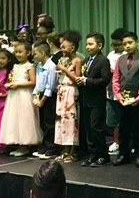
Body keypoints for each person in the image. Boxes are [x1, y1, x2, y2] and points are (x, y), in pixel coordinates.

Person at [111, 31, 139, 168]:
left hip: (137, 101)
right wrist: (119, 96)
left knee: (138, 128)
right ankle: (123, 154)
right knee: (123, 128)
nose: (127, 46)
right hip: (123, 100)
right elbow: (116, 78)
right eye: (124, 44)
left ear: (137, 42)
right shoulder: (120, 60)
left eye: (130, 43)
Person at [0, 42, 40, 157]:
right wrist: (11, 85)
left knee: (24, 119)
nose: (18, 54)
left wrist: (18, 85)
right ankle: (18, 144)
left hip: (24, 94)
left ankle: (24, 145)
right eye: (16, 52)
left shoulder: (29, 66)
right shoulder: (15, 66)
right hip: (14, 95)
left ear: (28, 53)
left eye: (20, 52)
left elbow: (33, 82)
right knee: (15, 119)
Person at [77, 33, 111, 167]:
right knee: (88, 128)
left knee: (96, 127)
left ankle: (103, 155)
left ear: (100, 45)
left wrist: (87, 81)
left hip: (97, 100)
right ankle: (93, 153)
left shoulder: (103, 60)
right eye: (87, 44)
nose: (87, 47)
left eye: (91, 44)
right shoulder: (86, 61)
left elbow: (105, 80)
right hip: (86, 99)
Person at [54, 31, 82, 163]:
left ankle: (72, 151)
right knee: (61, 122)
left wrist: (65, 70)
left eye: (64, 46)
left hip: (71, 91)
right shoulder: (63, 60)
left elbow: (77, 79)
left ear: (73, 47)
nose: (62, 49)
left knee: (71, 121)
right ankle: (64, 149)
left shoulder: (77, 60)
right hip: (62, 91)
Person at [31, 41, 58, 159]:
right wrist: (35, 96)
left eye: (35, 54)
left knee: (49, 123)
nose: (34, 56)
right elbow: (38, 83)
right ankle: (45, 145)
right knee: (42, 123)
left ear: (42, 53)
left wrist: (42, 100)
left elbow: (50, 86)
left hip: (49, 97)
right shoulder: (39, 66)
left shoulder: (51, 66)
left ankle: (52, 148)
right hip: (40, 95)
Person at [105, 28, 127, 156]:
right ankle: (116, 142)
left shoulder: (127, 55)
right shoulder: (110, 55)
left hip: (124, 92)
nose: (116, 47)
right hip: (110, 91)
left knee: (124, 119)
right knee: (113, 120)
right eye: (114, 44)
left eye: (118, 44)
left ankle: (126, 143)